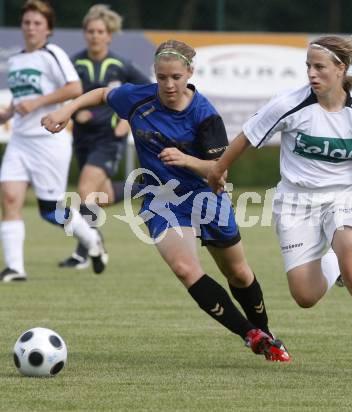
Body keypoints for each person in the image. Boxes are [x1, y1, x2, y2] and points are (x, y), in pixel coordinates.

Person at [41, 39, 291, 362]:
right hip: (160, 200)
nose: (169, 85)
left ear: (189, 72)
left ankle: (267, 332)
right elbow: (102, 94)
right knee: (186, 269)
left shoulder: (205, 116)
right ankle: (251, 335)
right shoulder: (138, 98)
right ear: (155, 75)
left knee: (239, 274)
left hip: (205, 196)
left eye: (175, 77)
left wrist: (187, 160)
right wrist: (68, 109)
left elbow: (219, 173)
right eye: (162, 78)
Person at [207, 35, 352, 379]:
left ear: (341, 69)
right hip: (295, 204)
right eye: (308, 67)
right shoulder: (290, 104)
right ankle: (335, 263)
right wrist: (218, 169)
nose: (312, 74)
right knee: (305, 295)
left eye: (320, 67)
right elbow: (247, 136)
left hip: (342, 199)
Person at [0, 0, 107, 282]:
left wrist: (38, 102)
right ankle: (15, 268)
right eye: (27, 22)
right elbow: (21, 99)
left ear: (48, 29)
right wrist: (8, 112)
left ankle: (91, 239)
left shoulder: (52, 53)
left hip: (48, 140)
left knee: (50, 210)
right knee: (9, 199)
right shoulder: (16, 59)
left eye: (38, 23)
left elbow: (75, 88)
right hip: (20, 140)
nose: (31, 28)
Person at [59, 4, 151, 270]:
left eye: (100, 31)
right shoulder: (74, 63)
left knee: (86, 189)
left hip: (109, 138)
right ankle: (146, 187)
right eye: (90, 31)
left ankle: (85, 251)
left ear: (109, 35)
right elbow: (62, 95)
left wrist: (127, 119)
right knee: (102, 195)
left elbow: (148, 91)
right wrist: (75, 114)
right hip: (83, 138)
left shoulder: (120, 65)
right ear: (84, 33)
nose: (95, 36)